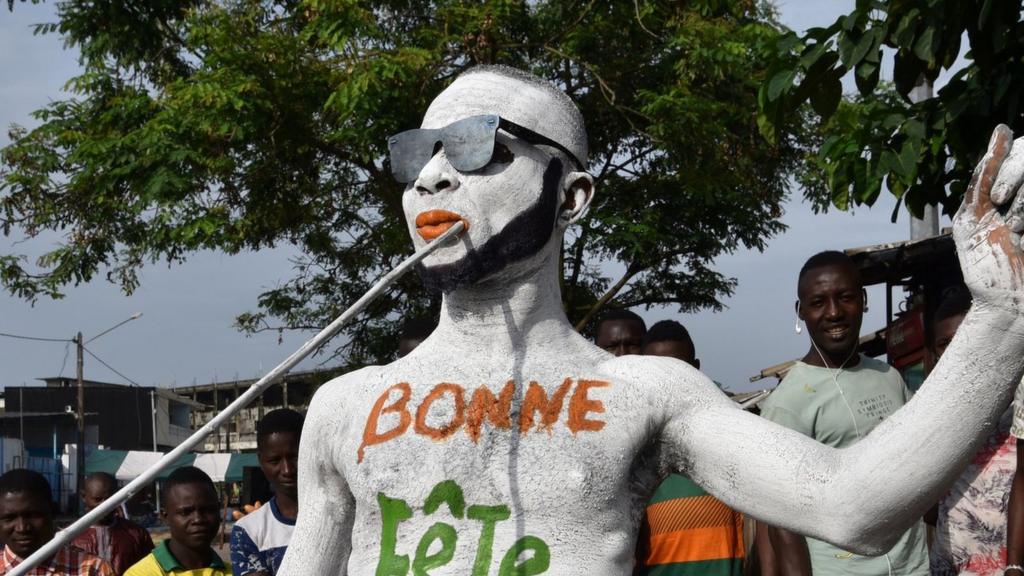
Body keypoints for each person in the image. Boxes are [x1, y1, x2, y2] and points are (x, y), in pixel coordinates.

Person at [277, 66, 1024, 575]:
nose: (434, 176)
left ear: (572, 197)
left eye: (479, 147)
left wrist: (1002, 318)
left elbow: (852, 504)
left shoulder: (642, 393)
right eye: (417, 155)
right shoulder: (345, 409)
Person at [760, 250, 929, 575]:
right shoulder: (788, 402)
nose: (834, 313)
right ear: (801, 312)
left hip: (913, 568)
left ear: (863, 300)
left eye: (845, 297)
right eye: (818, 302)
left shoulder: (888, 377)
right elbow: (782, 520)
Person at [636, 320, 743, 575]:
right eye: (659, 373)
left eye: (680, 370)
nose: (670, 382)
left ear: (696, 369)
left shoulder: (733, 425)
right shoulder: (634, 446)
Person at [929, 288, 1017, 575]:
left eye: (964, 340)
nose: (956, 352)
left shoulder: (1018, 404)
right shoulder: (932, 417)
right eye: (945, 343)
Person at [230, 409, 304, 576]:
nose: (287, 470)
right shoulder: (248, 530)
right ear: (261, 461)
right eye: (274, 460)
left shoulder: (346, 516)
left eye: (295, 457)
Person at [0, 468, 113, 575]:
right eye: (9, 518)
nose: (22, 528)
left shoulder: (93, 570)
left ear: (53, 512)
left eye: (33, 515)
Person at [125, 467, 226, 576]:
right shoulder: (141, 573)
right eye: (186, 512)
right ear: (165, 517)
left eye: (208, 510)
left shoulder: (237, 571)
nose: (198, 519)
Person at [73, 472, 155, 575]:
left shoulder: (137, 534)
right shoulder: (69, 538)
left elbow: (150, 570)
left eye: (110, 499)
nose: (104, 505)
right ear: (84, 497)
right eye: (97, 499)